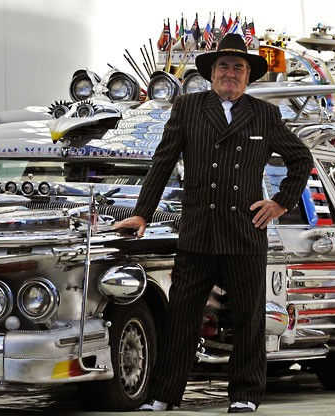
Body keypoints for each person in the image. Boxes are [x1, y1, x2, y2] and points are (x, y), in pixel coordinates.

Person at [115, 33, 312, 413]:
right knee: (181, 318)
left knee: (249, 319)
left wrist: (279, 203)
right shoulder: (188, 108)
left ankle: (245, 395)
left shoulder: (264, 114)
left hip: (245, 232)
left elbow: (300, 159)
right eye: (224, 66)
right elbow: (163, 162)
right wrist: (142, 211)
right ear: (212, 73)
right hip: (198, 232)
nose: (230, 73)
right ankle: (164, 395)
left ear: (247, 76)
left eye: (238, 68)